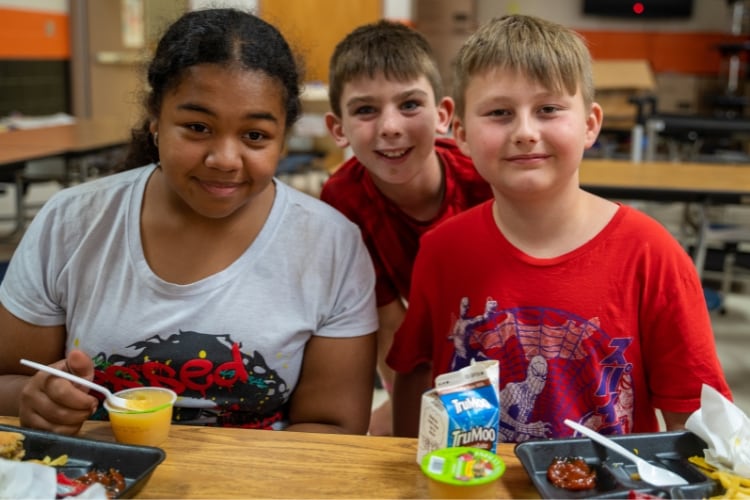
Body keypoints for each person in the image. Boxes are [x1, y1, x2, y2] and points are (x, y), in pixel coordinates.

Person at [0, 8, 378, 436]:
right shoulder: (72, 222)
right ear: (156, 121)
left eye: (254, 135)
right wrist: (36, 400)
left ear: (283, 139)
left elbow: (331, 427)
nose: (224, 160)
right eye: (197, 127)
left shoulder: (330, 246)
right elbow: (9, 380)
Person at [386, 14, 732, 441]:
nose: (526, 132)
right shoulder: (441, 251)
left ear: (589, 124)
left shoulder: (652, 254)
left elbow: (695, 422)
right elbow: (416, 376)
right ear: (460, 133)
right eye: (499, 113)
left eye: (548, 109)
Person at [319, 20, 492, 435]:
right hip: (418, 347)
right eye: (365, 110)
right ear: (338, 129)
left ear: (443, 115)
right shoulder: (343, 201)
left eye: (410, 104)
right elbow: (389, 327)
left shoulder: (484, 182)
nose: (390, 127)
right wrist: (410, 418)